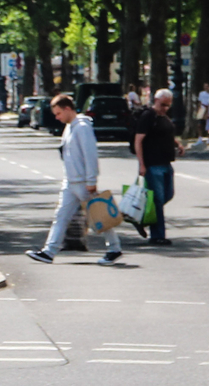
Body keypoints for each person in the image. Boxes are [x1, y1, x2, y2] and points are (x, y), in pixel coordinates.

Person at [28, 91, 122, 264]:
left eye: (58, 113)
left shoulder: (82, 127)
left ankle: (114, 248)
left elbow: (90, 155)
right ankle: (49, 251)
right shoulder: (70, 127)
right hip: (71, 181)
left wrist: (91, 180)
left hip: (82, 182)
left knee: (98, 215)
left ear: (67, 109)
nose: (57, 117)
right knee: (61, 216)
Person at [133, 88, 178, 245]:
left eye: (168, 105)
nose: (165, 108)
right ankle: (157, 236)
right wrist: (142, 164)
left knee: (168, 195)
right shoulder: (148, 116)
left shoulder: (164, 116)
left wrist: (178, 144)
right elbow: (138, 140)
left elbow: (168, 133)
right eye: (163, 104)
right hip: (152, 164)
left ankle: (141, 218)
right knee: (158, 200)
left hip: (166, 162)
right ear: (156, 101)